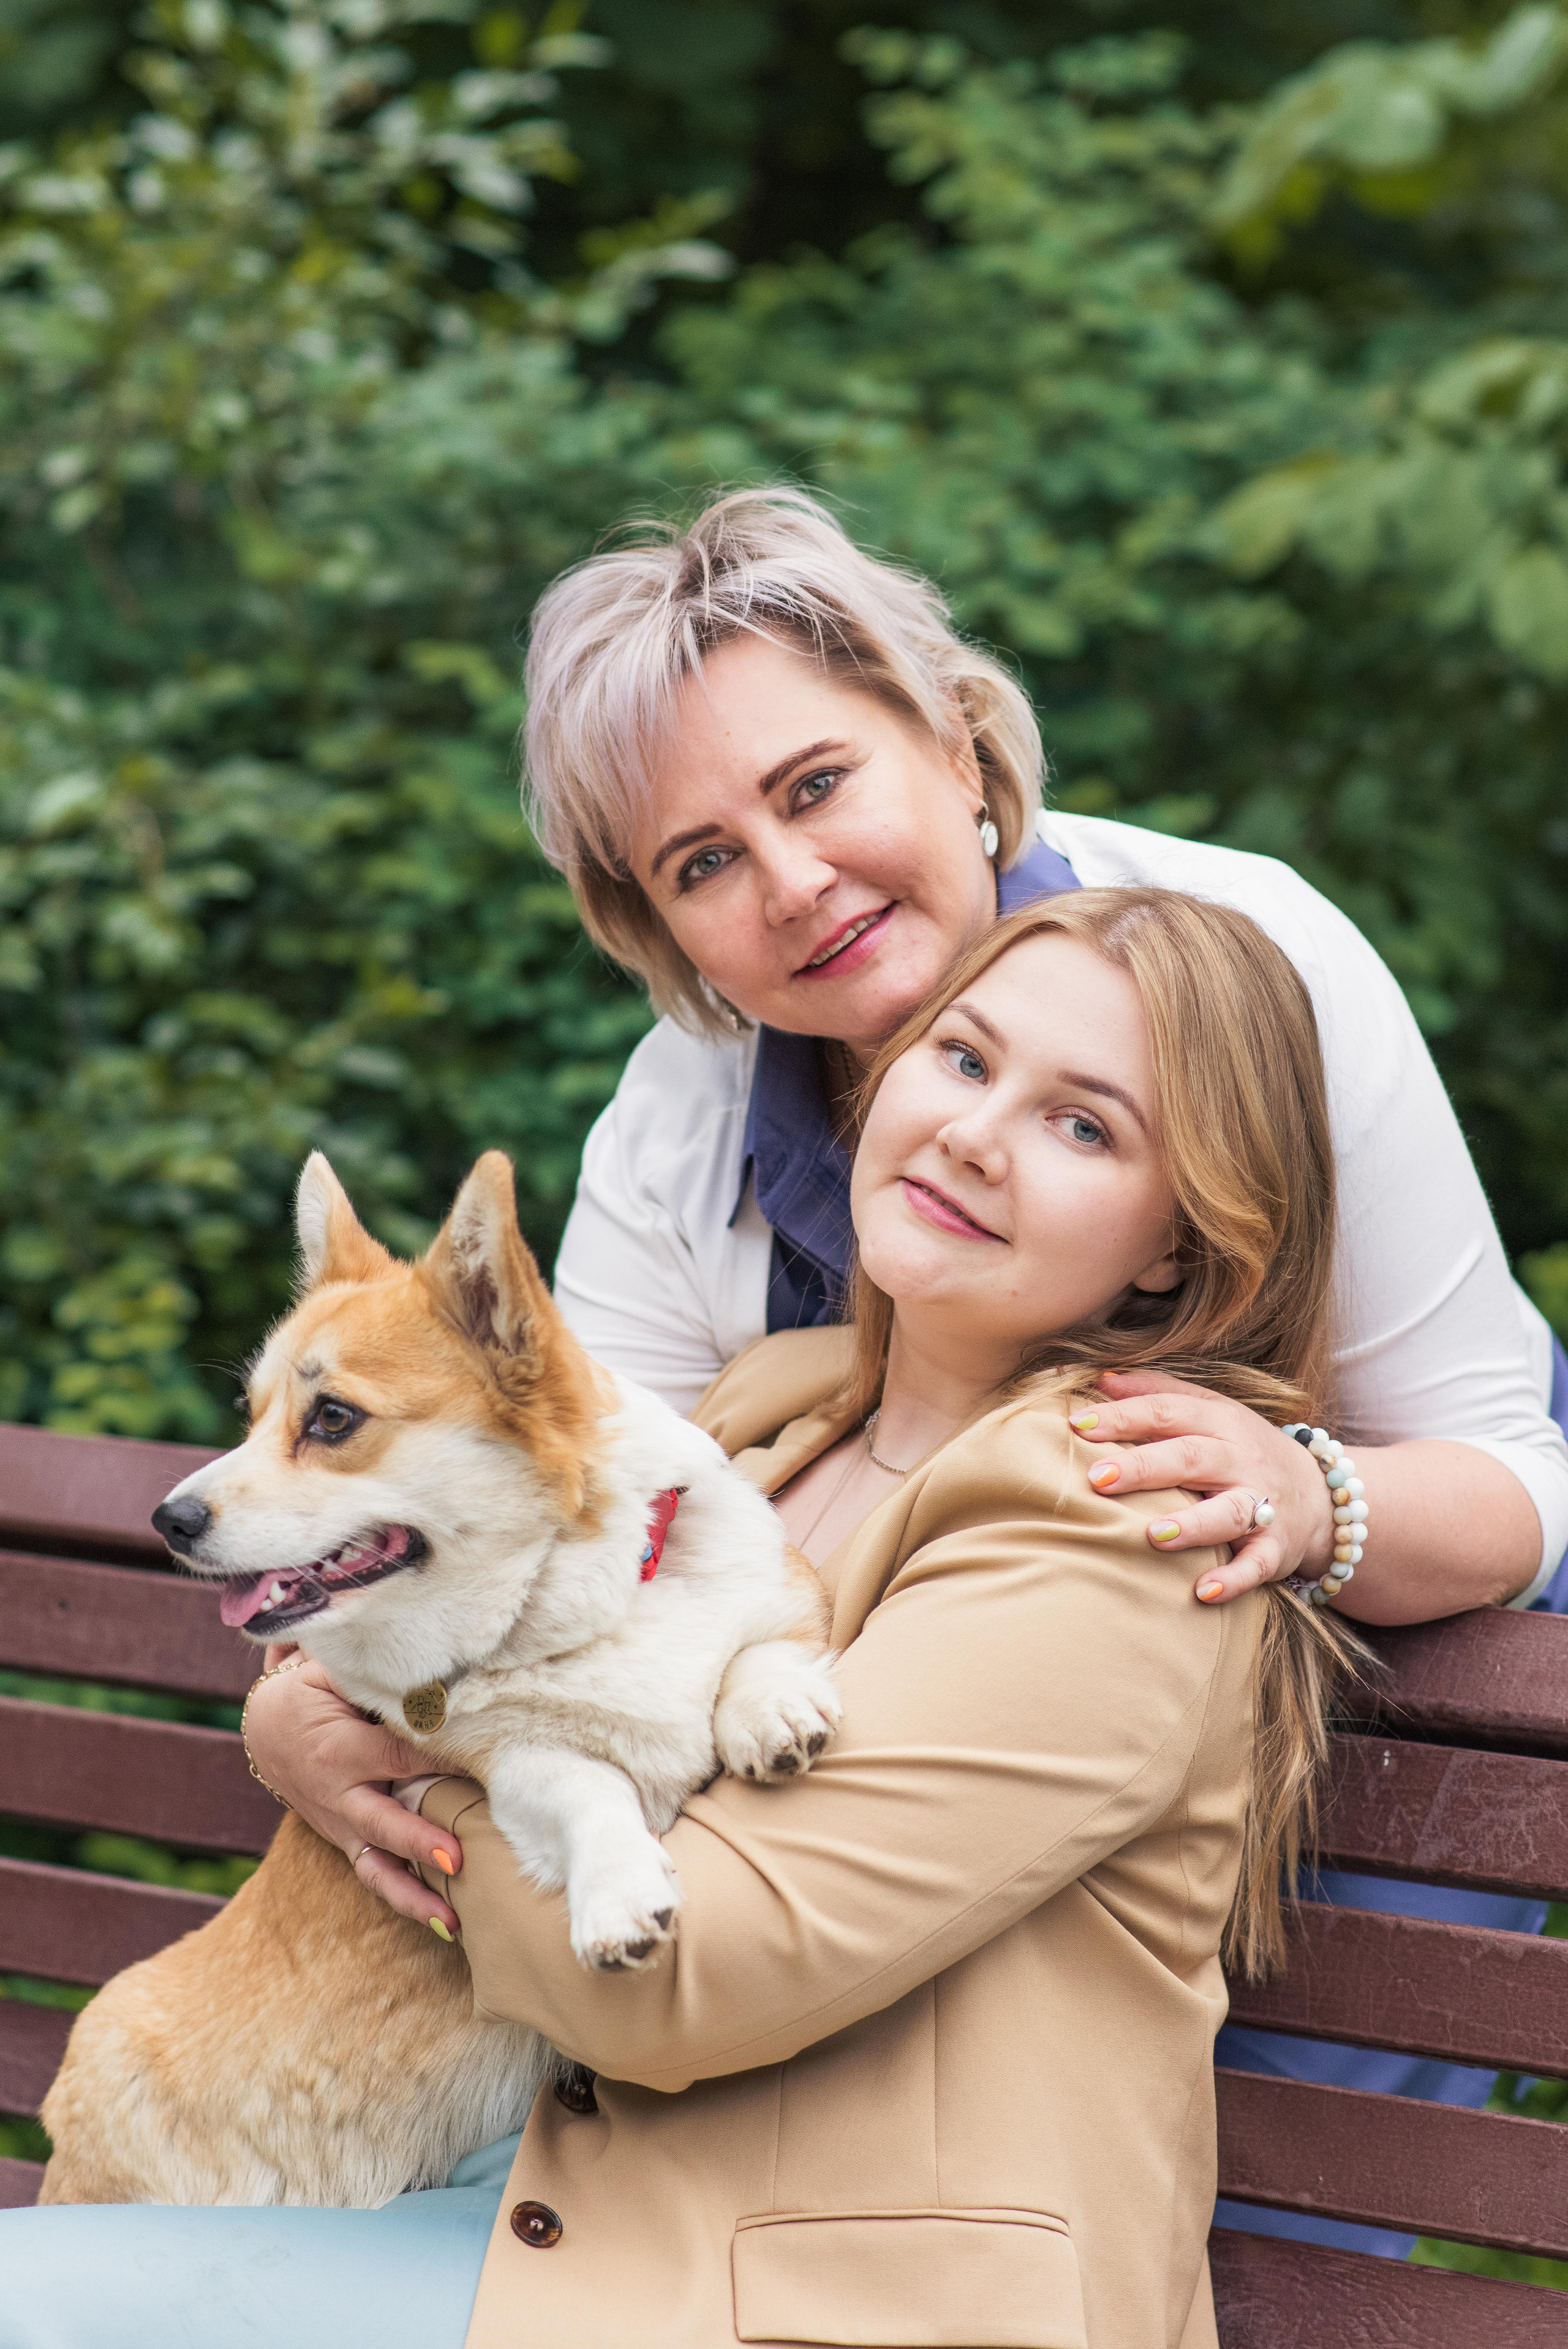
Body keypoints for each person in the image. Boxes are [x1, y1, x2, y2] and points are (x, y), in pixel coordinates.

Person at [165, 487, 1568, 2245]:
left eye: (815, 784)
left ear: (964, 746)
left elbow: (1517, 1470)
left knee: (1236, 2217)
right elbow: (569, 1522)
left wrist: (1310, 1488)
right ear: (665, 935)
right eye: (704, 863)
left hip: (1298, 1685)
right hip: (851, 1811)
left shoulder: (1250, 965)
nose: (794, 880)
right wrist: (316, 1692)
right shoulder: (679, 1133)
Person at [7, 887, 1360, 2349]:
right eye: (962, 1058)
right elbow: (470, 1576)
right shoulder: (772, 1407)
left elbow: (682, 1973)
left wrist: (390, 1759)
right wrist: (301, 1704)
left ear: (1175, 1243)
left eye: (1082, 1125)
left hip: (836, 2298)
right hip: (578, 2200)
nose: (976, 1131)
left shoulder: (1122, 1516)